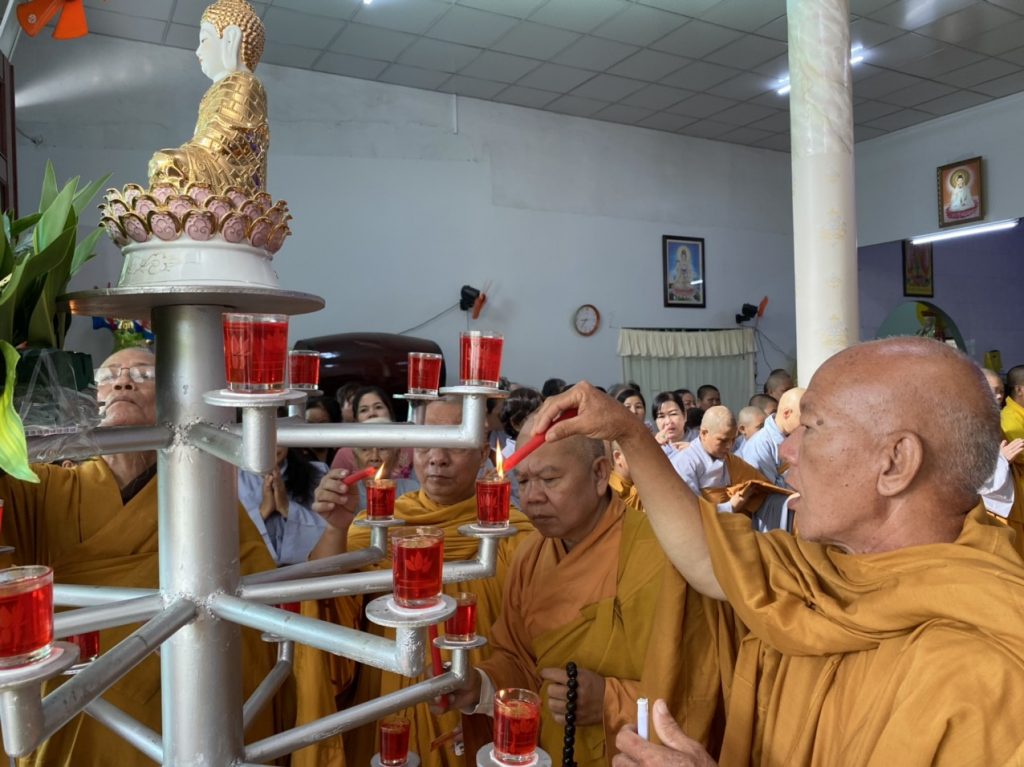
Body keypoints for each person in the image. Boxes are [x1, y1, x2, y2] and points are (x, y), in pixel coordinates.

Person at [535, 337, 1024, 767]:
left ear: (896, 462)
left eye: (812, 427)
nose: (786, 451)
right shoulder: (823, 576)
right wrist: (626, 430)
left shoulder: (990, 676)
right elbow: (707, 558)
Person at [0, 347, 279, 766]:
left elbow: (259, 620)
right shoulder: (41, 490)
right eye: (108, 375)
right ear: (88, 398)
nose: (123, 382)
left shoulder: (207, 503)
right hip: (64, 714)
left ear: (174, 398)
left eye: (143, 375)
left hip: (181, 719)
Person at [448, 422, 723, 765]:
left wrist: (609, 700)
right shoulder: (529, 556)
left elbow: (699, 688)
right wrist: (480, 685)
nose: (532, 496)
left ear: (599, 474)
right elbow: (519, 660)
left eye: (549, 479)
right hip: (549, 749)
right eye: (524, 481)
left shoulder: (661, 553)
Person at [293, 397, 533, 767]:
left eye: (454, 445)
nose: (437, 458)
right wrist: (335, 529)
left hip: (479, 713)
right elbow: (324, 610)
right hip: (386, 715)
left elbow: (535, 647)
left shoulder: (519, 538)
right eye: (424, 445)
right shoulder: (378, 528)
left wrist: (488, 699)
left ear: (483, 453)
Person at [148, 0, 268, 195]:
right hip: (206, 160)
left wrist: (187, 156)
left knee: (166, 161)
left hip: (233, 177)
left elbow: (228, 139)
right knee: (166, 162)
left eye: (204, 40)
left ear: (231, 40)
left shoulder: (245, 82)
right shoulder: (215, 90)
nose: (198, 51)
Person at [670, 407, 789, 532]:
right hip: (704, 533)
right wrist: (730, 506)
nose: (729, 446)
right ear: (704, 433)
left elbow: (764, 488)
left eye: (733, 440)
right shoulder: (684, 463)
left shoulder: (731, 461)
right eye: (723, 440)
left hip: (736, 529)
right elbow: (690, 510)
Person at [237, 445, 327, 565]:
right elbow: (225, 540)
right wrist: (262, 512)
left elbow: (332, 532)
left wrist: (287, 508)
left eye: (275, 437)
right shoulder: (229, 478)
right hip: (256, 571)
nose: (269, 445)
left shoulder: (318, 473)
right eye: (262, 437)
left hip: (307, 571)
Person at [737, 387, 804, 487]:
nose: (807, 421)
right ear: (787, 413)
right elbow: (767, 488)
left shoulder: (802, 436)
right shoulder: (760, 444)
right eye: (803, 416)